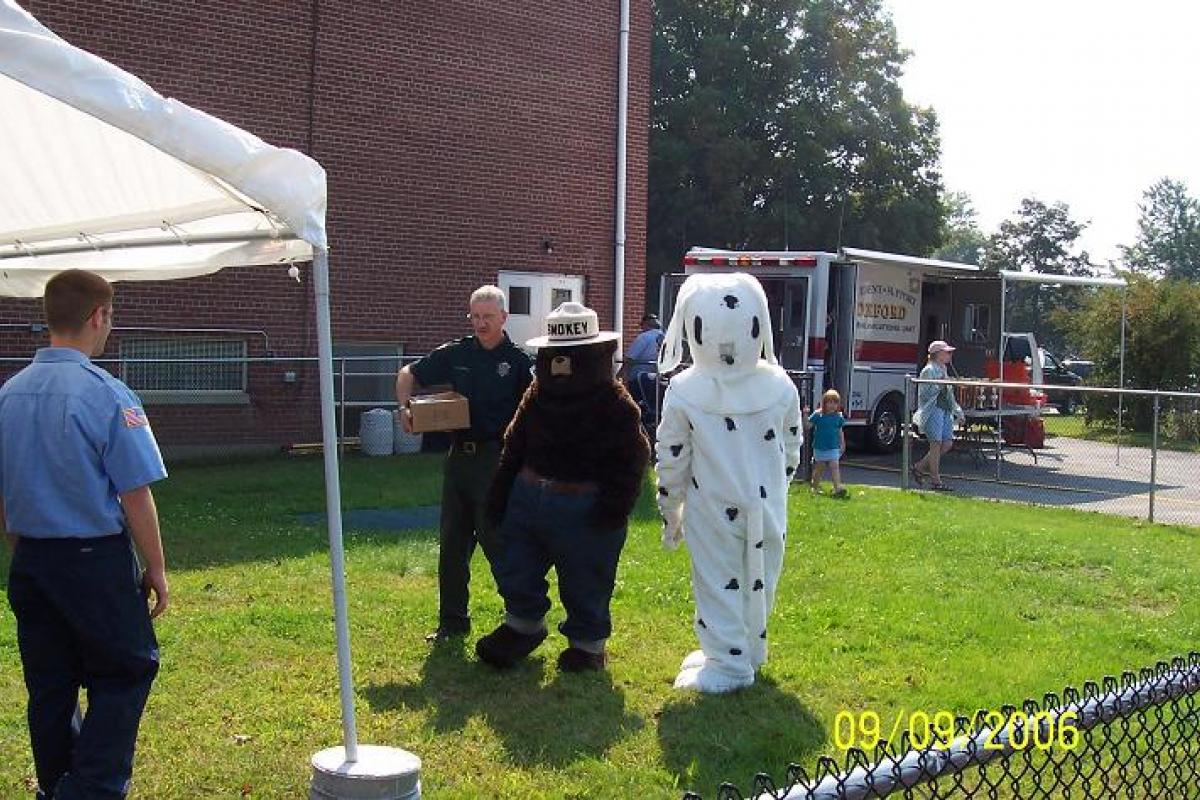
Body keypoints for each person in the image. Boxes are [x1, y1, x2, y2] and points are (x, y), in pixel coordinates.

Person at [1, 269, 168, 800]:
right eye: (110, 318)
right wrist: (157, 568)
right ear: (98, 316)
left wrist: (18, 544)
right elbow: (135, 492)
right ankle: (91, 787)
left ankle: (57, 786)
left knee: (51, 686)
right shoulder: (106, 394)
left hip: (31, 562)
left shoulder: (8, 394)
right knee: (126, 670)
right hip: (93, 561)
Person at [477, 302, 649, 672]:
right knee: (515, 564)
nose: (561, 366)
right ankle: (523, 624)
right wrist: (501, 493)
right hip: (529, 495)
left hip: (584, 502)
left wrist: (612, 509)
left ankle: (587, 645)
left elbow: (634, 457)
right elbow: (515, 443)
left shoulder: (615, 404)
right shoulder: (537, 396)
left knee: (586, 576)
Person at [396, 285, 533, 642]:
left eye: (488, 317)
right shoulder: (458, 352)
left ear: (504, 318)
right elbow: (408, 372)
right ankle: (452, 623)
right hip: (459, 460)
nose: (481, 323)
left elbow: (538, 407)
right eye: (475, 316)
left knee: (496, 541)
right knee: (453, 544)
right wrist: (404, 407)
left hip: (496, 460)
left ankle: (523, 620)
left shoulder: (519, 362)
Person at [912, 340, 964, 492]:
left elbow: (949, 395)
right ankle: (936, 481)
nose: (950, 355)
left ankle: (919, 467)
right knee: (935, 444)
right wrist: (939, 385)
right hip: (933, 410)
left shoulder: (943, 368)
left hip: (945, 411)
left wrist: (958, 411)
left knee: (946, 444)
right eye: (947, 352)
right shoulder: (928, 370)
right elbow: (925, 394)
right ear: (938, 354)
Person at [806, 389, 848, 496]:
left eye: (835, 402)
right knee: (820, 467)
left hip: (833, 447)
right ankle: (814, 487)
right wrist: (805, 414)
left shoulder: (838, 416)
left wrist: (842, 443)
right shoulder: (818, 415)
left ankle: (837, 487)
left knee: (835, 466)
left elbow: (840, 431)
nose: (832, 405)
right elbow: (808, 426)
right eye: (830, 402)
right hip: (820, 446)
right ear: (824, 403)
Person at [621, 313, 664, 405]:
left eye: (642, 325)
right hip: (657, 379)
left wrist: (620, 374)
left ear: (646, 324)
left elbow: (630, 357)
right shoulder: (665, 336)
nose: (641, 328)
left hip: (639, 378)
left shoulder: (644, 337)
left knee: (636, 403)